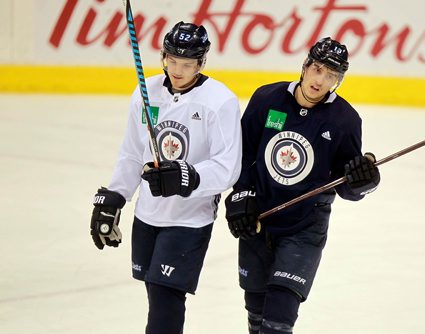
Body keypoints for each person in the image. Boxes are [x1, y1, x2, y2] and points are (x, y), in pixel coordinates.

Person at [89, 21, 242, 334]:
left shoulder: (219, 101)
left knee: (165, 296)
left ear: (202, 62)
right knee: (154, 292)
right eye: (172, 61)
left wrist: (187, 177)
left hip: (189, 220)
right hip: (148, 215)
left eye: (187, 64)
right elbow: (133, 152)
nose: (178, 70)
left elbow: (228, 167)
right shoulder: (147, 93)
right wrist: (115, 197)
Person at [224, 37, 381, 333]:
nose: (320, 81)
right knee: (256, 314)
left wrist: (364, 182)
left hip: (305, 227)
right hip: (260, 220)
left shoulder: (344, 120)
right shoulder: (267, 99)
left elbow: (347, 185)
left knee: (279, 320)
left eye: (331, 76)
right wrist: (240, 197)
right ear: (305, 66)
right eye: (318, 69)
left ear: (338, 81)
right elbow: (241, 154)